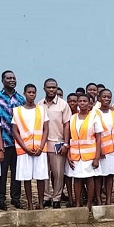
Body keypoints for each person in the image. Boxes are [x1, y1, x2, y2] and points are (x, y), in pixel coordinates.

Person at [0, 70, 25, 210]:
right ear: (2, 80)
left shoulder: (21, 99)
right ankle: (1, 199)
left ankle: (16, 199)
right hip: (2, 142)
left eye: (14, 78)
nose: (12, 80)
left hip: (18, 142)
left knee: (17, 172)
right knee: (1, 174)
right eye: (8, 78)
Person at [13, 84, 49, 210]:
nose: (31, 94)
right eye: (29, 92)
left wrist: (41, 147)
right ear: (24, 93)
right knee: (26, 177)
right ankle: (29, 203)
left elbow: (46, 129)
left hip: (40, 149)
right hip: (24, 149)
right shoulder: (17, 111)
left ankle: (40, 202)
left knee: (40, 177)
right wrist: (25, 147)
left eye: (33, 92)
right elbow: (15, 131)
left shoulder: (41, 110)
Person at [39, 78, 71, 208]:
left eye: (54, 87)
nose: (51, 90)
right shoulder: (40, 104)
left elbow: (66, 125)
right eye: (49, 87)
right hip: (43, 144)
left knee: (58, 173)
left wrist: (66, 144)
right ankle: (46, 197)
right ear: (44, 89)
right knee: (44, 172)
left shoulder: (63, 105)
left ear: (57, 89)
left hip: (58, 143)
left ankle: (56, 198)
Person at [68, 93, 102, 210]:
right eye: (80, 101)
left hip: (89, 155)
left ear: (89, 103)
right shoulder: (72, 118)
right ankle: (78, 203)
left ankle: (88, 203)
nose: (82, 103)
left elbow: (98, 138)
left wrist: (97, 157)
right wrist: (68, 155)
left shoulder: (94, 117)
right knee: (77, 179)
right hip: (76, 154)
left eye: (84, 101)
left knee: (89, 179)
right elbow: (69, 138)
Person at [95, 89, 114, 205]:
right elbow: (94, 134)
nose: (106, 99)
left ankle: (108, 200)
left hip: (113, 149)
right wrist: (99, 150)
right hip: (101, 151)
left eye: (109, 97)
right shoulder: (95, 113)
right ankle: (99, 200)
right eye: (104, 97)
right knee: (99, 176)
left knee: (110, 175)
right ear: (99, 98)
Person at [64, 93, 79, 207]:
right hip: (68, 149)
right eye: (70, 101)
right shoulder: (66, 115)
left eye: (75, 101)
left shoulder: (80, 115)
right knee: (68, 175)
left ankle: (79, 197)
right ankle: (70, 197)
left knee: (79, 177)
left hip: (80, 151)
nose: (72, 103)